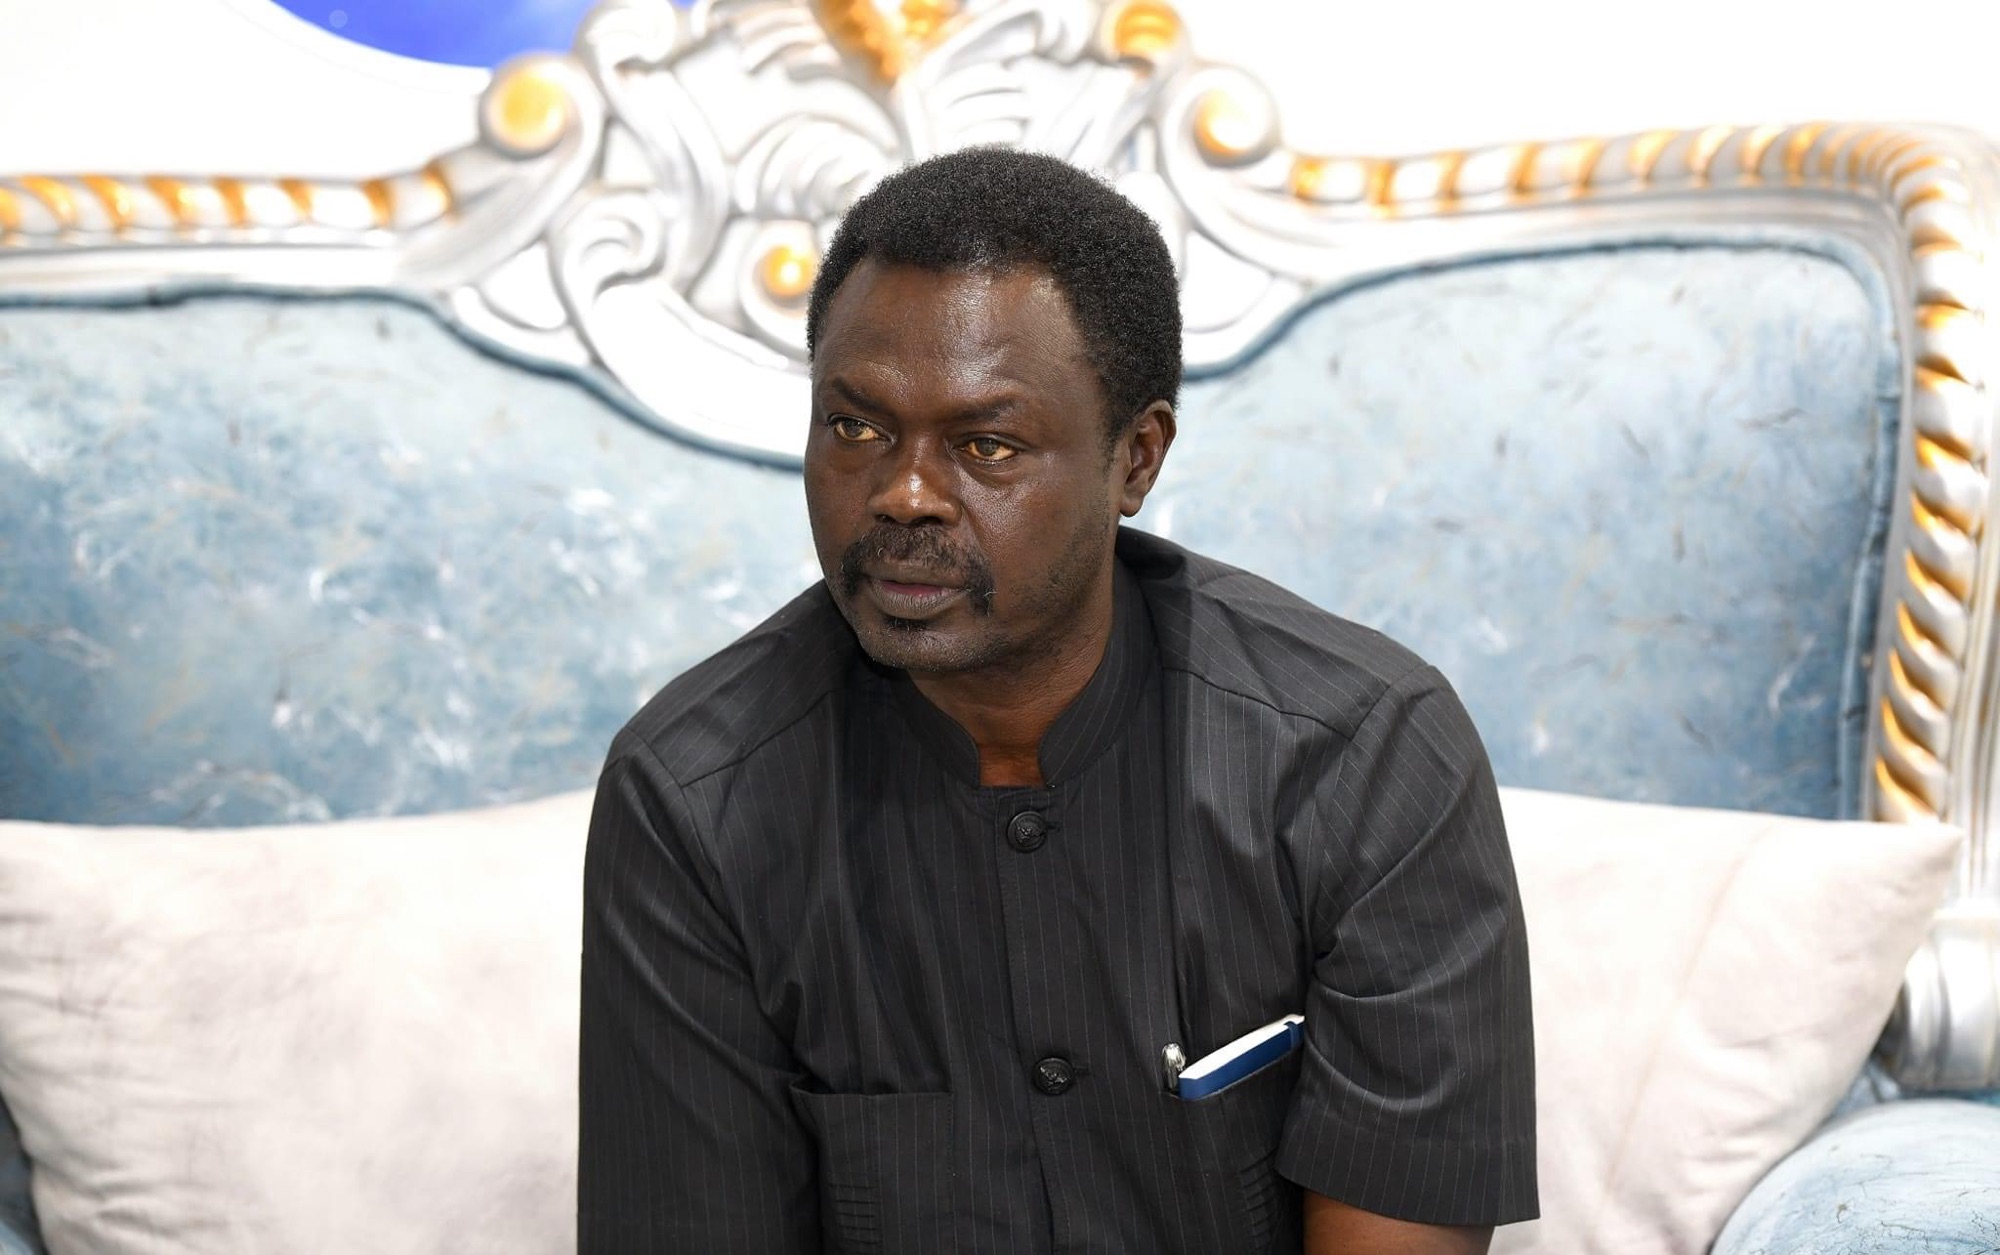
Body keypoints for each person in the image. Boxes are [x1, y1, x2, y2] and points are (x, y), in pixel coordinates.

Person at [578, 147, 1536, 1254]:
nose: (902, 494)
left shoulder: (1365, 759)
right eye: (855, 427)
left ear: (1136, 459)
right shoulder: (696, 801)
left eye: (986, 445)